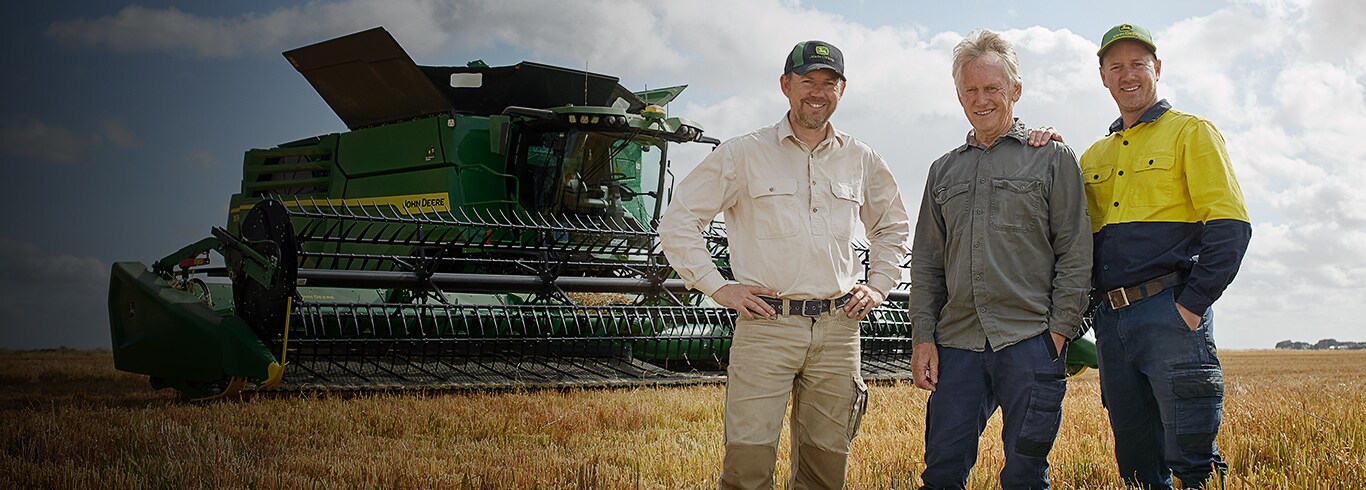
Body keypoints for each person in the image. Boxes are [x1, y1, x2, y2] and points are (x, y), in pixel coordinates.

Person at [658, 40, 911, 489]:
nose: (818, 92)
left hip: (838, 329)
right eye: (807, 81)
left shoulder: (862, 158)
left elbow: (892, 226)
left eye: (828, 83)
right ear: (785, 86)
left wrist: (879, 284)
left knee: (825, 469)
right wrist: (719, 287)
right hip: (767, 326)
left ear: (842, 90)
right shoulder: (743, 154)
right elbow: (678, 222)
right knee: (748, 467)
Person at [908, 29, 1092, 489]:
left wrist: (1059, 332)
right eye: (971, 89)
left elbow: (1075, 249)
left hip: (1030, 340)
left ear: (1015, 90)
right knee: (942, 472)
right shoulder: (942, 170)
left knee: (1026, 474)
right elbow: (928, 262)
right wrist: (923, 338)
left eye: (992, 88)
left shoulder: (1051, 158)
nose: (981, 99)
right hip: (957, 346)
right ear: (958, 95)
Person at [1080, 23, 1250, 489]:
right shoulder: (1092, 155)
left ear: (1157, 68)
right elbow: (1074, 243)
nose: (1127, 74)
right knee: (1135, 463)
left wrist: (1191, 306)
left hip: (1169, 313)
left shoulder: (1191, 133)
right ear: (1102, 76)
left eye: (1138, 64)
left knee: (1192, 458)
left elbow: (1231, 227)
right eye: (1116, 66)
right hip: (1111, 323)